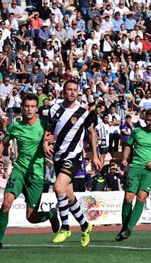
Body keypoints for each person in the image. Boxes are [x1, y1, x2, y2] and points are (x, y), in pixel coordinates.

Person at [0, 93, 60, 250]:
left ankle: (51, 214)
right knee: (7, 202)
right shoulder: (15, 126)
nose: (29, 109)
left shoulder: (44, 125)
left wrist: (49, 144)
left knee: (31, 218)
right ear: (22, 107)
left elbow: (54, 139)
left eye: (33, 106)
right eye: (27, 106)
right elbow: (3, 142)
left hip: (37, 173)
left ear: (36, 109)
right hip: (19, 169)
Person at [43, 80, 102, 247]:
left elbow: (92, 133)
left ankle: (65, 228)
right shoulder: (54, 109)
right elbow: (48, 130)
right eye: (69, 89)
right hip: (58, 157)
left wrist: (95, 156)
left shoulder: (83, 112)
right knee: (69, 197)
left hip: (74, 157)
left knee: (58, 188)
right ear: (63, 91)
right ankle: (85, 226)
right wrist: (45, 143)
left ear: (78, 92)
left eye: (75, 90)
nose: (72, 92)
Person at [117, 109, 151, 241]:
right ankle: (124, 227)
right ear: (144, 119)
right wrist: (124, 158)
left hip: (150, 171)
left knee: (141, 197)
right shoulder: (137, 131)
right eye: (148, 120)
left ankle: (129, 229)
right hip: (135, 167)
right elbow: (128, 145)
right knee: (129, 197)